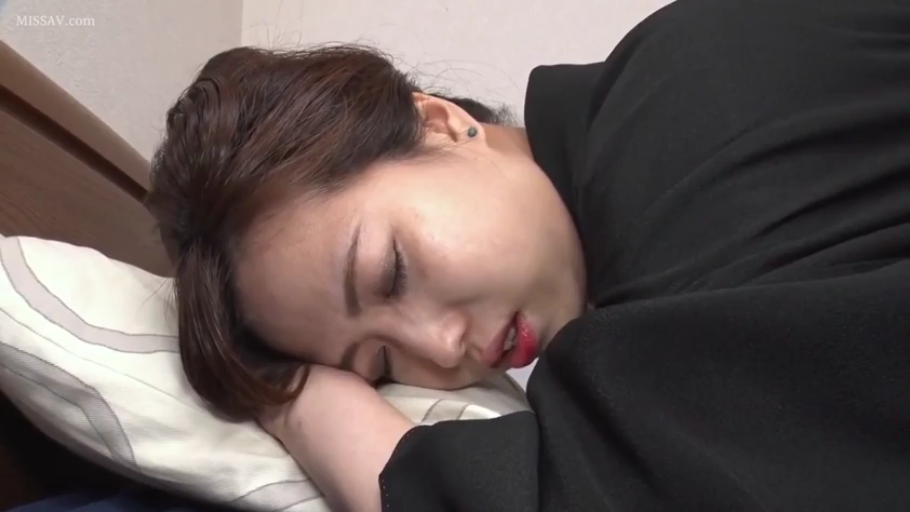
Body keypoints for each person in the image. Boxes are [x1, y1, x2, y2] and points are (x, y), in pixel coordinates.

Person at [145, 0, 910, 510]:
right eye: (379, 364)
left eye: (391, 273)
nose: (439, 348)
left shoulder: (683, 100)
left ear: (438, 124)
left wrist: (305, 406)